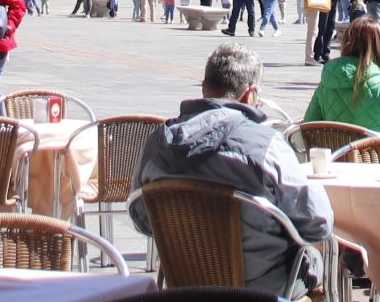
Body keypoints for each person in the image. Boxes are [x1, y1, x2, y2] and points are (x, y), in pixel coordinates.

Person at [133, 44, 333, 299]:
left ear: (205, 87)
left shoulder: (158, 141)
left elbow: (142, 218)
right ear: (250, 95)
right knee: (324, 256)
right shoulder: (266, 145)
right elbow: (318, 223)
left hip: (183, 285)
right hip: (262, 288)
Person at [303, 16, 380, 135]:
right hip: (373, 153)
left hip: (335, 153)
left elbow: (308, 127)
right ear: (378, 46)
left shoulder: (326, 84)